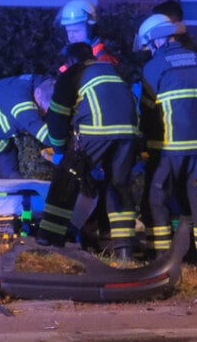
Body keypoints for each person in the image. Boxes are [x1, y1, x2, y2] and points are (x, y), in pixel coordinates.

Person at [36, 42, 140, 259]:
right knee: (118, 185)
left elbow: (56, 117)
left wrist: (59, 150)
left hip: (96, 130)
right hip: (129, 132)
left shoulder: (74, 73)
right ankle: (124, 250)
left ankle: (50, 242)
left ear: (71, 61)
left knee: (66, 178)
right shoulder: (111, 69)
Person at [137, 13, 197, 268]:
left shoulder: (154, 66)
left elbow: (148, 113)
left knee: (157, 199)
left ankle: (163, 260)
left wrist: (147, 147)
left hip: (168, 150)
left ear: (156, 41)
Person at [0, 74, 55, 178]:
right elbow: (39, 129)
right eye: (42, 108)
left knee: (13, 181)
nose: (42, 112)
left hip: (1, 142)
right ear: (38, 92)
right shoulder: (19, 98)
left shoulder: (36, 84)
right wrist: (64, 146)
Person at [57, 0, 119, 68]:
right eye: (68, 31)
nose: (71, 36)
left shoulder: (103, 60)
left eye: (76, 31)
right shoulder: (74, 56)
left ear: (91, 29)